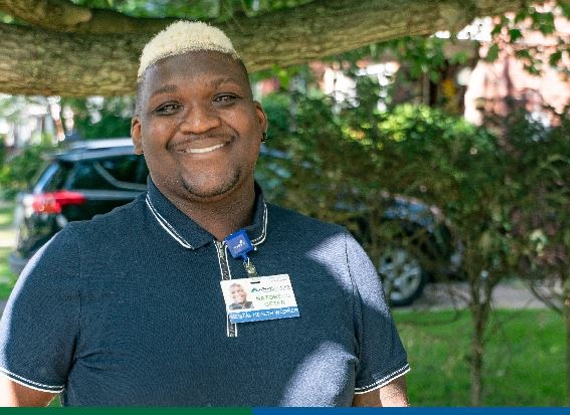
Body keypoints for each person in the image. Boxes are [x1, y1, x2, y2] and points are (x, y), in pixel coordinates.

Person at [0, 21, 409, 407]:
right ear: (139, 135)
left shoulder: (339, 258)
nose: (199, 122)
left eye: (224, 98)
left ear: (259, 120)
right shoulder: (74, 261)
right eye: (168, 106)